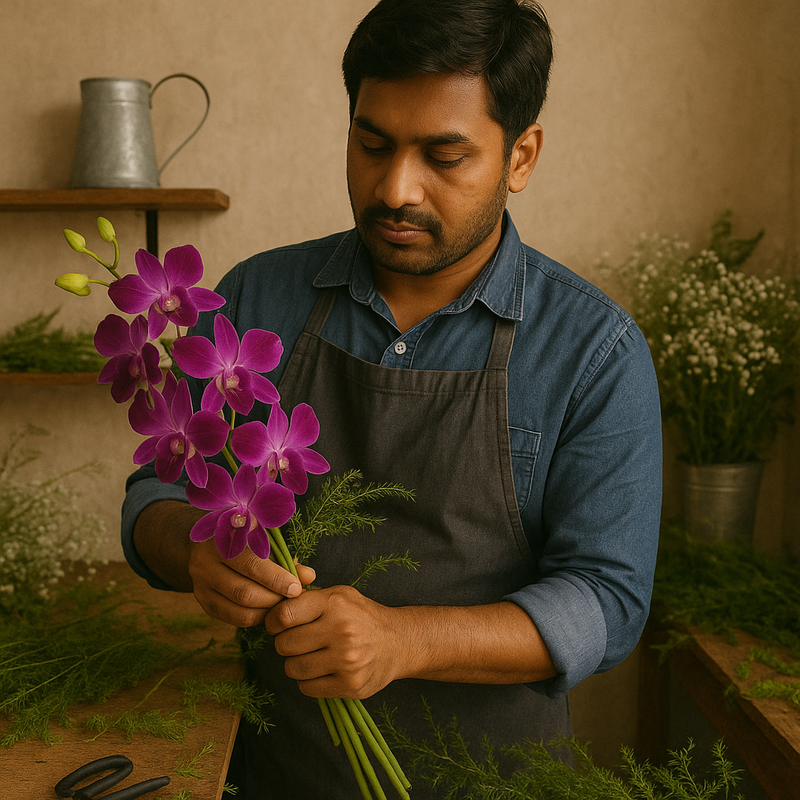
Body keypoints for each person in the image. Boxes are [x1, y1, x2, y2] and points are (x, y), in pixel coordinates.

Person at [121, 0, 662, 797]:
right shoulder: (252, 297)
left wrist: (405, 641)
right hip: (273, 772)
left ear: (521, 156)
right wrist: (193, 551)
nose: (396, 188)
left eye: (444, 156)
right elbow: (158, 493)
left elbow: (607, 602)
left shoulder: (594, 352)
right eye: (372, 145)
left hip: (493, 780)